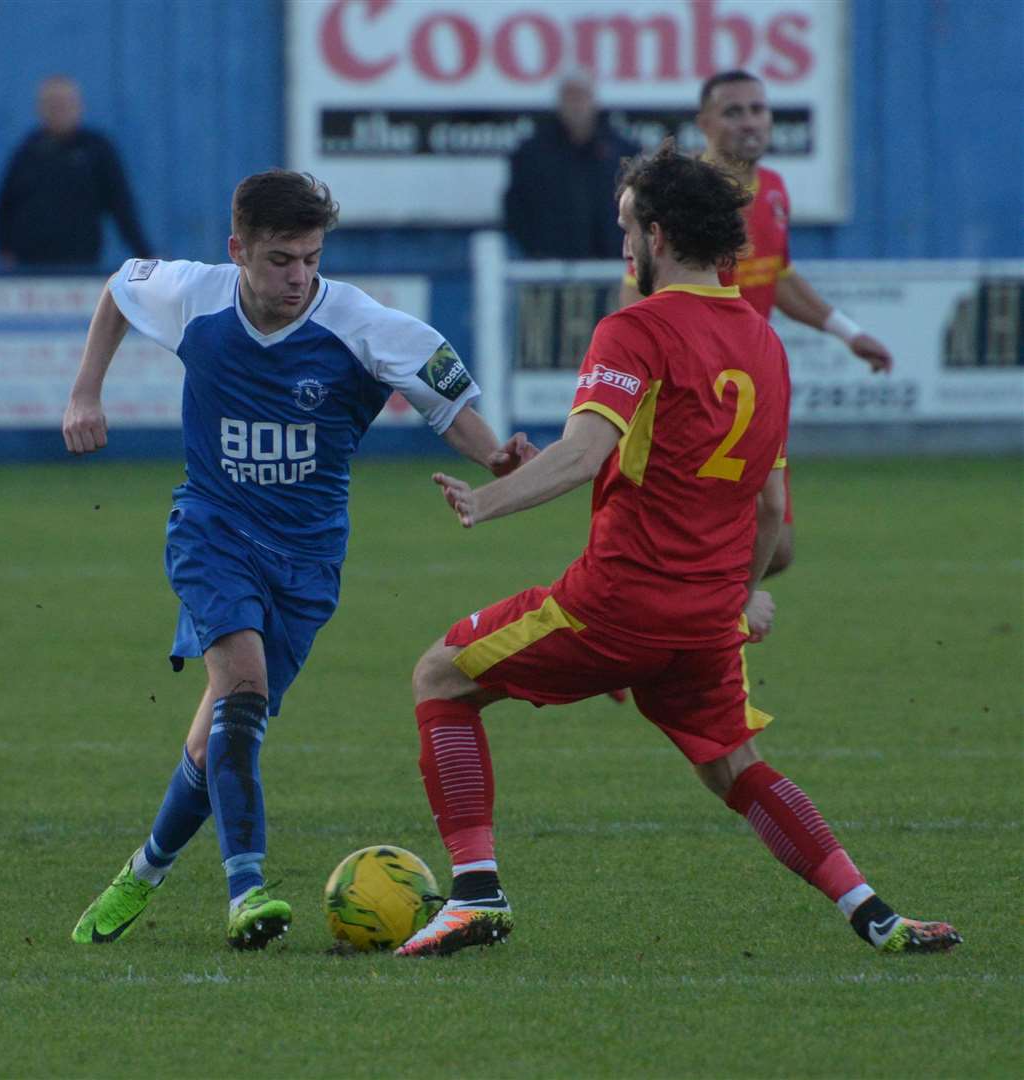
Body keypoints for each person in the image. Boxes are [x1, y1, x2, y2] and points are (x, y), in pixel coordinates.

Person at [394, 142, 959, 959]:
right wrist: (735, 597)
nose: (622, 245)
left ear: (656, 235)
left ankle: (475, 893)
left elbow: (585, 451)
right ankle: (875, 914)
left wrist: (486, 501)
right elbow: (771, 509)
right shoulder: (763, 343)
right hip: (703, 620)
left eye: (626, 227)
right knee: (735, 766)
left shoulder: (637, 329)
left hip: (618, 602)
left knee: (440, 675)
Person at [64, 169, 532, 950]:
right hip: (213, 530)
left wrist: (499, 459)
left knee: (218, 732)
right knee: (240, 687)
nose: (299, 277)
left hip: (308, 562)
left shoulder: (359, 324)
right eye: (281, 259)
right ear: (237, 250)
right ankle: (246, 889)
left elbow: (447, 405)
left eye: (312, 258)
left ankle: (140, 873)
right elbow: (119, 286)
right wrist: (85, 393)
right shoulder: (196, 296)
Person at [620, 70, 892, 576]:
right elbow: (637, 284)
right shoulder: (684, 197)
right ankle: (686, 626)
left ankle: (690, 619)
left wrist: (848, 333)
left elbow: (779, 277)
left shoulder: (772, 190)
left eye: (758, 109)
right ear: (704, 123)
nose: (750, 121)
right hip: (694, 389)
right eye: (734, 111)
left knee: (775, 547)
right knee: (714, 541)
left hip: (752, 384)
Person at [0, 76, 152, 267]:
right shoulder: (27, 151)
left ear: (79, 107)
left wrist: (145, 255)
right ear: (40, 109)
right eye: (52, 104)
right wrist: (4, 249)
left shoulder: (97, 150)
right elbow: (6, 206)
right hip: (31, 267)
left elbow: (121, 206)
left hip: (80, 265)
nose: (58, 110)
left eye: (65, 104)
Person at [503, 70, 640, 259]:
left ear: (594, 101)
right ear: (559, 102)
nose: (576, 105)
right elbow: (516, 207)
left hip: (611, 265)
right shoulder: (531, 154)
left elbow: (639, 205)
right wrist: (536, 250)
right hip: (548, 267)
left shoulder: (623, 152)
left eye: (581, 96)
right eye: (570, 97)